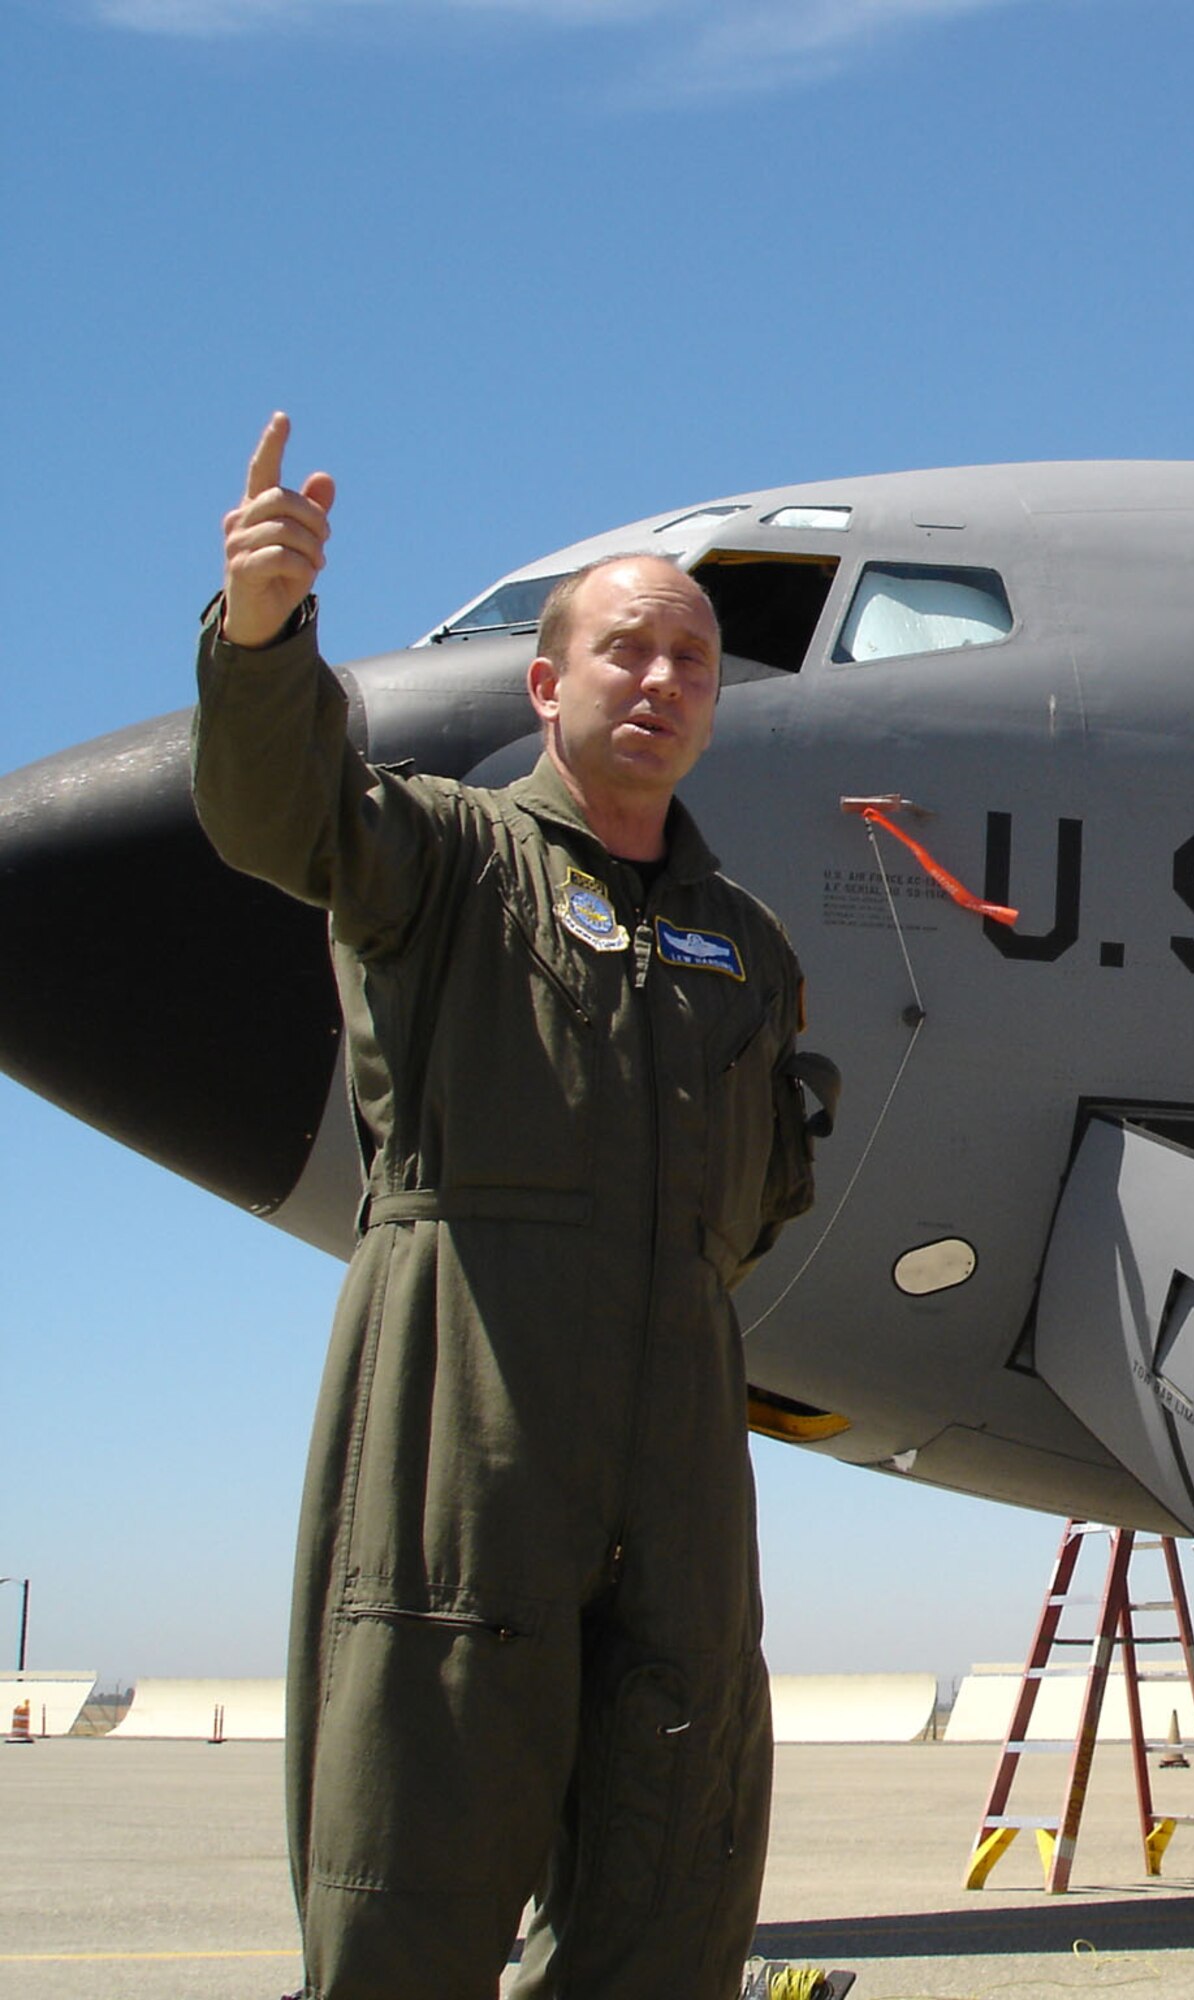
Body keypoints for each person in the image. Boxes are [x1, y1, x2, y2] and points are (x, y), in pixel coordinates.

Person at [194, 413, 834, 2000]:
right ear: (549, 685)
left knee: (674, 1874)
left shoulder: (742, 944)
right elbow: (283, 816)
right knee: (412, 1858)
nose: (665, 680)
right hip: (466, 1404)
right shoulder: (450, 858)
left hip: (677, 1432)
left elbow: (767, 1192)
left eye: (692, 659)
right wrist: (265, 633)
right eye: (628, 650)